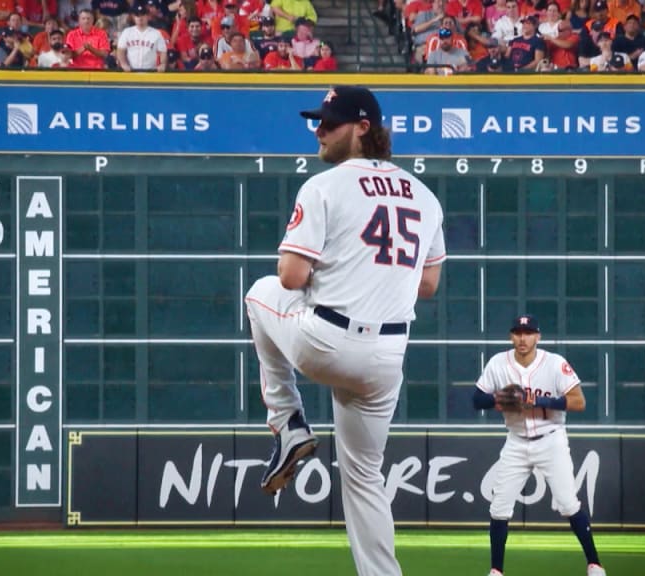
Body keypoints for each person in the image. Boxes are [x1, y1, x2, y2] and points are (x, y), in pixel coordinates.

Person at [245, 86, 446, 576]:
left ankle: (288, 422)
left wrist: (336, 274)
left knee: (259, 291)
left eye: (330, 121)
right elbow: (428, 284)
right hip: (386, 359)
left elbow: (291, 277)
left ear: (362, 128)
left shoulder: (325, 187)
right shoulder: (425, 195)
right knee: (364, 477)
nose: (319, 129)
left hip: (327, 342)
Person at [472, 314, 607, 576]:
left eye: (528, 333)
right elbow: (477, 399)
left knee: (568, 503)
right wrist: (498, 399)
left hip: (551, 439)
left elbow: (579, 402)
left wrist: (539, 403)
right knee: (499, 507)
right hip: (516, 441)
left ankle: (594, 564)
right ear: (512, 336)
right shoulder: (498, 363)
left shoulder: (555, 364)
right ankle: (496, 571)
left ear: (537, 336)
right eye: (518, 333)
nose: (523, 338)